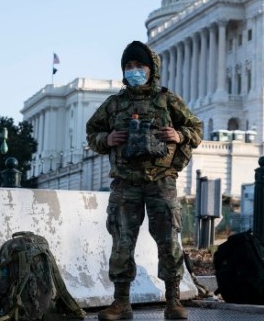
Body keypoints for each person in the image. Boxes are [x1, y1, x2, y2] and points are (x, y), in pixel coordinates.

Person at [86, 41, 203, 320]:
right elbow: (92, 132)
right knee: (122, 243)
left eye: (140, 66)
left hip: (161, 181)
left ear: (152, 69)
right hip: (126, 184)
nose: (134, 71)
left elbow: (195, 128)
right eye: (129, 67)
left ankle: (173, 300)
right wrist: (107, 139)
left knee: (168, 242)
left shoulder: (167, 100)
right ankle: (121, 303)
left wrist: (179, 135)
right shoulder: (114, 104)